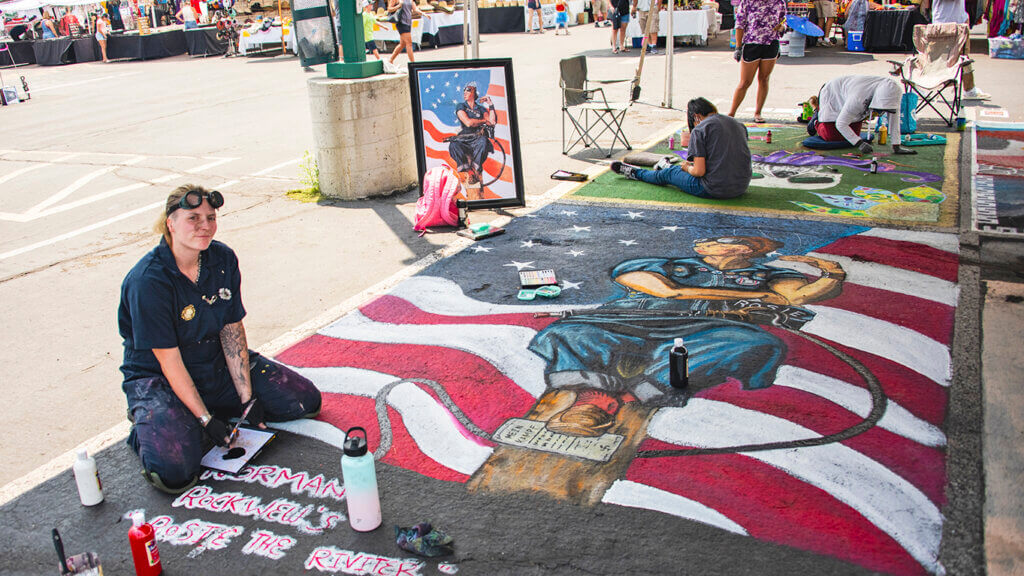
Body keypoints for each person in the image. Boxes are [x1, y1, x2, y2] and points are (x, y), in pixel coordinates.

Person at [529, 235, 845, 437]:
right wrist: (741, 297)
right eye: (728, 240)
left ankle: (636, 394)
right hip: (636, 316)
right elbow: (659, 288)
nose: (739, 246)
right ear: (702, 247)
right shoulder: (669, 264)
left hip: (710, 326)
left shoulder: (770, 274)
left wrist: (833, 274)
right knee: (571, 332)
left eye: (748, 245)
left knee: (753, 343)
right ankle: (592, 397)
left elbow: (796, 297)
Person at [118, 185, 322, 494]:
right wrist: (204, 420)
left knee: (305, 401)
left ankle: (206, 411)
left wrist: (246, 399)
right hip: (159, 376)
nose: (205, 226)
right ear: (170, 223)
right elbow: (169, 361)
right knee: (174, 474)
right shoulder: (148, 281)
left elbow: (231, 330)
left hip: (212, 364)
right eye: (193, 218)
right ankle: (148, 426)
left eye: (211, 217)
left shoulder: (222, 258)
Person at [611, 97, 752, 199]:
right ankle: (666, 167)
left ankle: (636, 173)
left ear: (696, 117)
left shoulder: (701, 129)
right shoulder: (737, 124)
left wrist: (686, 168)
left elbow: (698, 171)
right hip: (741, 186)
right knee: (677, 170)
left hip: (714, 189)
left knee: (670, 174)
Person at [808, 75, 918, 155]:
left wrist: (896, 146)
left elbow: (894, 120)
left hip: (852, 101)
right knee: (832, 136)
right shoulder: (858, 98)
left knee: (852, 134)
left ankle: (820, 114)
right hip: (833, 91)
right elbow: (841, 124)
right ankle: (816, 118)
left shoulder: (892, 95)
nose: (882, 113)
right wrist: (859, 143)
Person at [727, 0, 787, 122]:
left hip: (771, 43)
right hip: (751, 43)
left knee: (764, 79)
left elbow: (784, 21)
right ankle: (731, 113)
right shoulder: (747, 2)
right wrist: (738, 47)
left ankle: (758, 112)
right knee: (745, 82)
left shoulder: (779, 2)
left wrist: (781, 27)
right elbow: (739, 25)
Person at [919, 0, 990, 99]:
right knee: (934, 58)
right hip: (943, 23)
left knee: (963, 57)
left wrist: (965, 16)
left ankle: (969, 90)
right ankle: (922, 86)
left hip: (959, 22)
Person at [447, 81, 496, 192]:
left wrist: (490, 105)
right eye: (464, 90)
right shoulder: (461, 106)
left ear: (474, 92)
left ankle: (475, 170)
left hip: (478, 138)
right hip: (464, 137)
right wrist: (483, 121)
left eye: (468, 90)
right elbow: (468, 123)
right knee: (454, 144)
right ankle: (468, 171)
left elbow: (491, 122)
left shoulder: (482, 109)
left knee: (483, 142)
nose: (465, 92)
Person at [386, 0, 429, 68]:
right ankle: (413, 63)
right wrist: (398, 6)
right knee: (409, 43)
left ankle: (390, 60)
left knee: (402, 44)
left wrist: (423, 13)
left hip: (408, 23)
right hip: (401, 23)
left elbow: (415, 9)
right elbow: (389, 9)